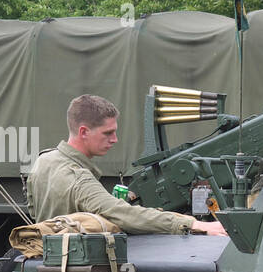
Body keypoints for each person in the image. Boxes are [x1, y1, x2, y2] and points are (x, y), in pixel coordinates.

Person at [26, 95, 225, 235]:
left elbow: (35, 213)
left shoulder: (43, 161)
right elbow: (123, 214)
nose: (115, 139)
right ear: (84, 132)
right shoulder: (79, 179)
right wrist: (193, 224)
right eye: (107, 133)